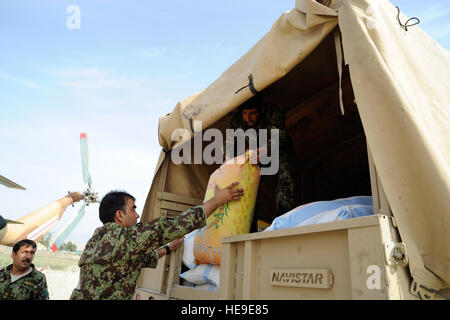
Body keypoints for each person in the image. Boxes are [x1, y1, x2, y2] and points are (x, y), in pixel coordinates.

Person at [70, 183, 243, 300]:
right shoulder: (123, 238)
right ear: (119, 215)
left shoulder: (96, 240)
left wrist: (168, 248)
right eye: (133, 209)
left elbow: (141, 259)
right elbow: (174, 226)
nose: (137, 215)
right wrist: (219, 200)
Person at [224, 95, 296, 231]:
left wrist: (266, 149)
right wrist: (228, 161)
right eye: (245, 114)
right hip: (252, 155)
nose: (248, 118)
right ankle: (249, 228)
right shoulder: (237, 120)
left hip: (278, 151)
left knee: (286, 180)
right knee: (249, 187)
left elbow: (280, 135)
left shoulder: (272, 112)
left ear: (261, 109)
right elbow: (228, 143)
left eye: (252, 113)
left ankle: (284, 223)